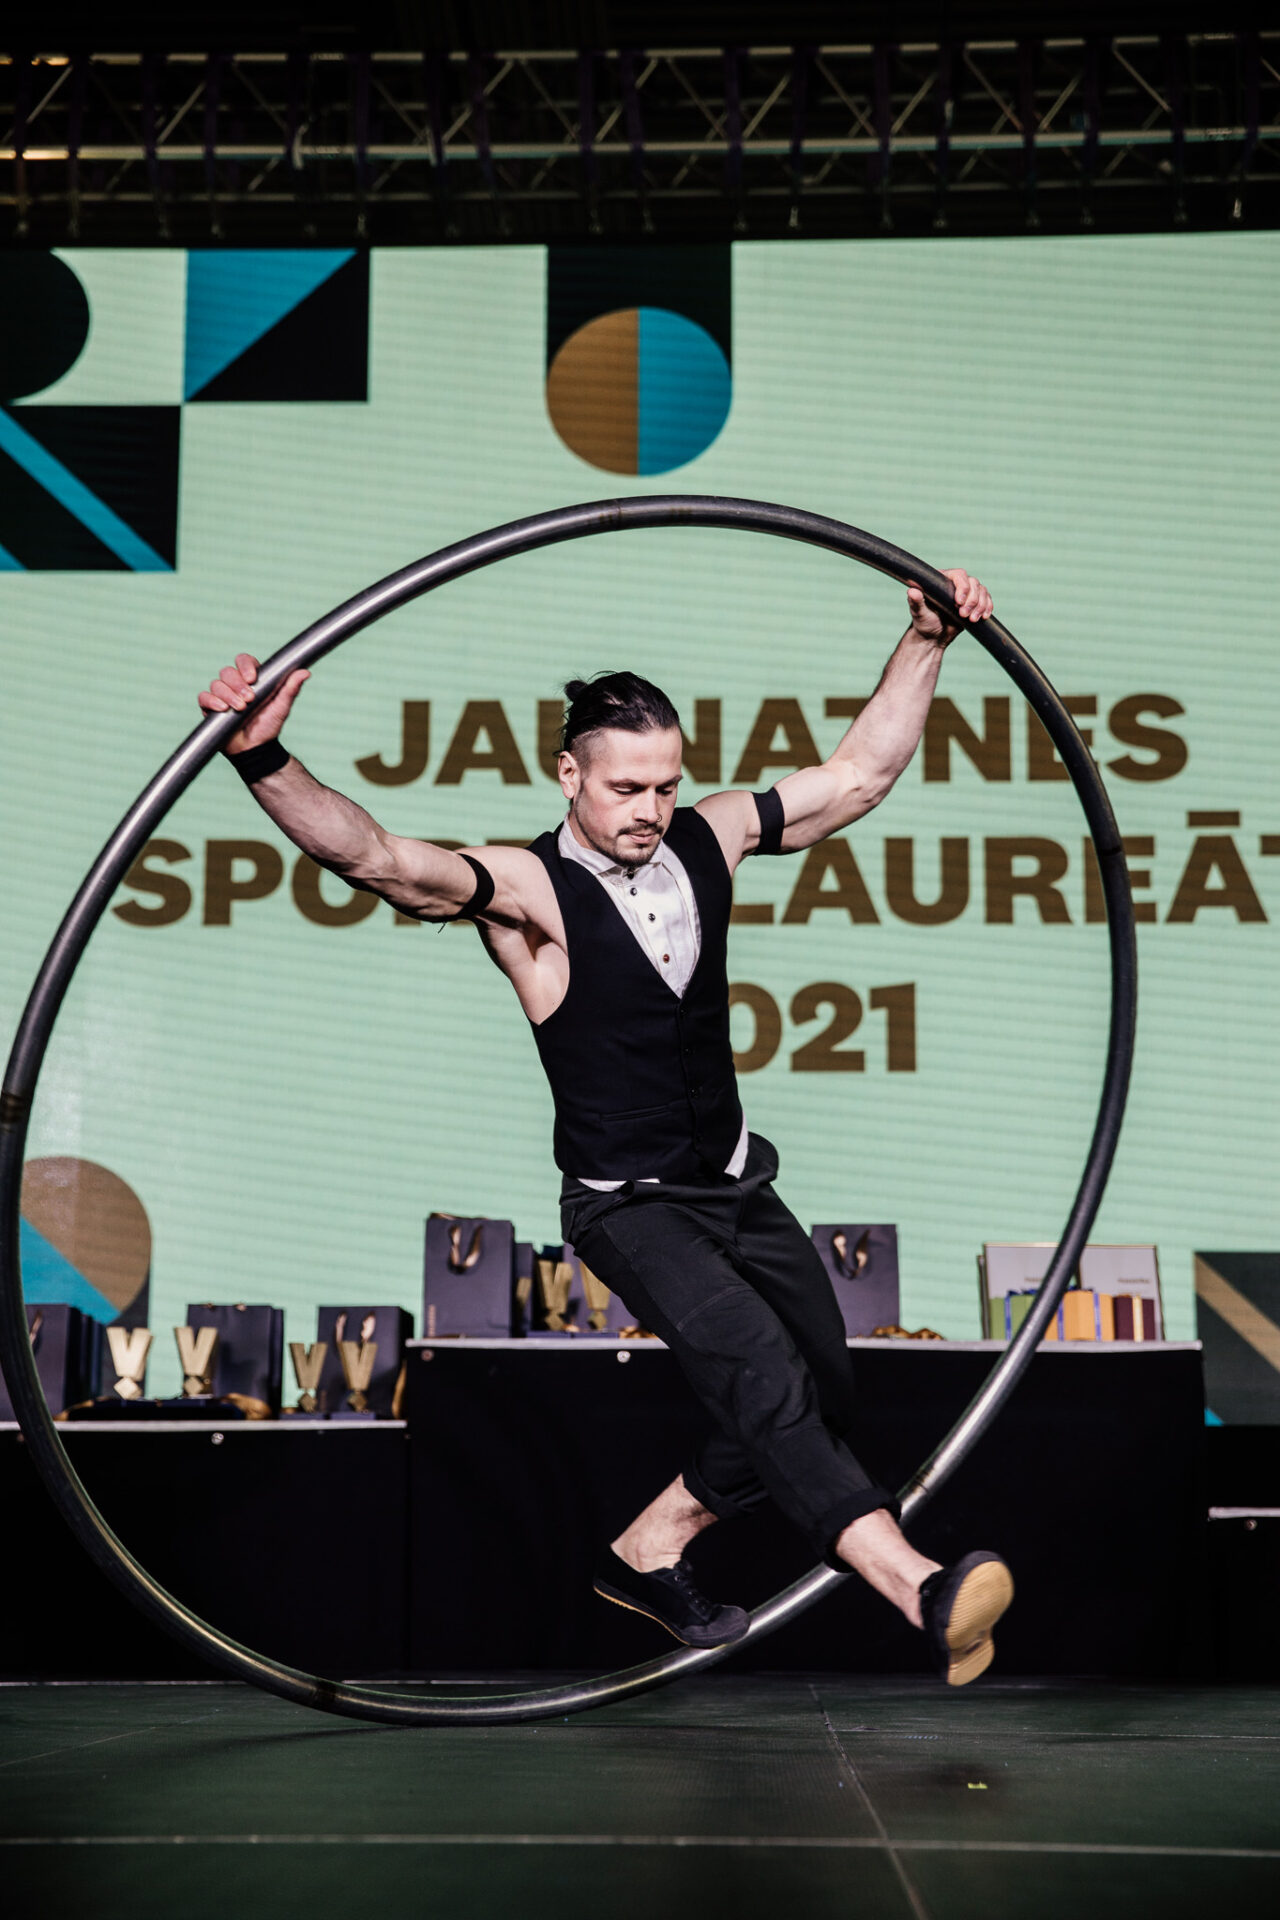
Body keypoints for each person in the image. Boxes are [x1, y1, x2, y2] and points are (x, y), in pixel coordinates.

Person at [199, 567, 1013, 1687]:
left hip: (736, 1183)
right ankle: (916, 1586)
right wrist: (261, 758)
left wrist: (926, 639)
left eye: (665, 785)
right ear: (569, 774)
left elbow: (859, 776)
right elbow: (376, 857)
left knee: (825, 1385)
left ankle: (649, 1548)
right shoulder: (527, 891)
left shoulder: (711, 836)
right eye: (626, 787)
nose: (649, 809)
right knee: (760, 1374)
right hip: (630, 1206)